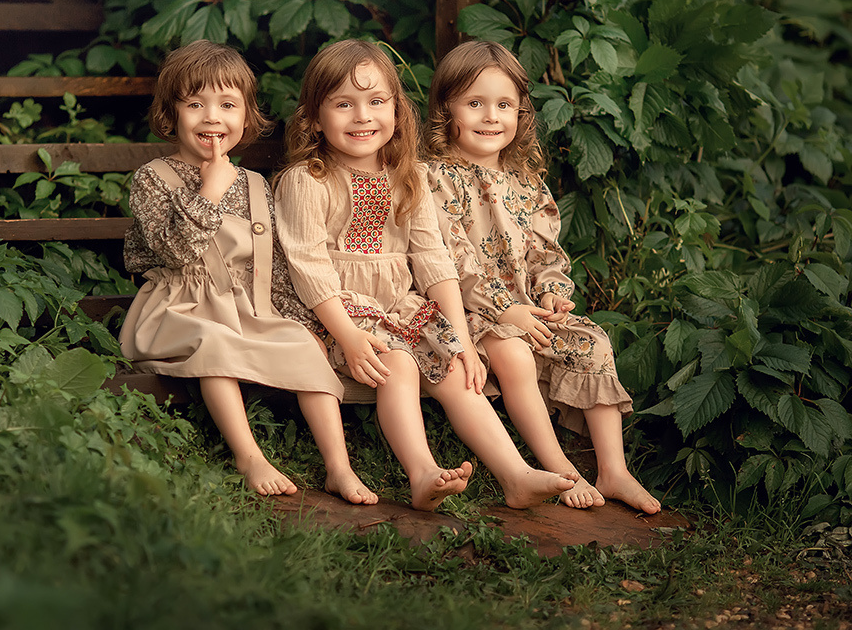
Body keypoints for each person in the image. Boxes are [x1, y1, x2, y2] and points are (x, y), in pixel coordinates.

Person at [273, 39, 576, 511]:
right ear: (314, 117)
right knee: (399, 363)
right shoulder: (308, 179)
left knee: (457, 368)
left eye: (376, 102)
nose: (362, 116)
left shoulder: (406, 174)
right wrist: (349, 337)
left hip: (398, 307)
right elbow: (310, 270)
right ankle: (422, 472)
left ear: (397, 111)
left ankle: (516, 475)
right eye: (343, 104)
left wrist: (459, 337)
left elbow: (434, 259)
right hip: (335, 313)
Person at [120, 40, 377, 505]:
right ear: (171, 113)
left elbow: (273, 268)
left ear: (246, 114)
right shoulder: (153, 178)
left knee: (301, 344)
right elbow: (172, 252)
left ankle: (339, 467)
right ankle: (249, 456)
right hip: (178, 310)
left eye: (227, 104)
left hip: (247, 309)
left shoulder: (257, 185)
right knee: (217, 341)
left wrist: (307, 322)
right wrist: (209, 194)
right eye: (195, 104)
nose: (212, 117)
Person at [425, 39, 661, 514]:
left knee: (592, 342)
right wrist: (503, 307)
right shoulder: (434, 176)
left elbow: (544, 252)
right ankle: (559, 469)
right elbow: (449, 258)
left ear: (521, 114)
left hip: (527, 306)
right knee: (513, 355)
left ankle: (613, 469)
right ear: (446, 108)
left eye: (504, 105)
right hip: (470, 312)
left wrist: (553, 292)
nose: (492, 117)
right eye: (475, 103)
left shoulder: (525, 180)